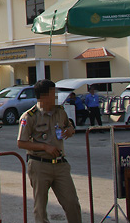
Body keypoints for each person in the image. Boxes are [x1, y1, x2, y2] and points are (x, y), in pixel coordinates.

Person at [17, 79, 81, 223]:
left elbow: (69, 126)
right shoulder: (30, 116)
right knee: (40, 208)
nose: (56, 96)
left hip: (60, 165)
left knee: (72, 203)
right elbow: (21, 142)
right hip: (40, 165)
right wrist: (45, 147)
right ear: (44, 96)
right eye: (53, 93)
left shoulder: (60, 112)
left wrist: (70, 131)